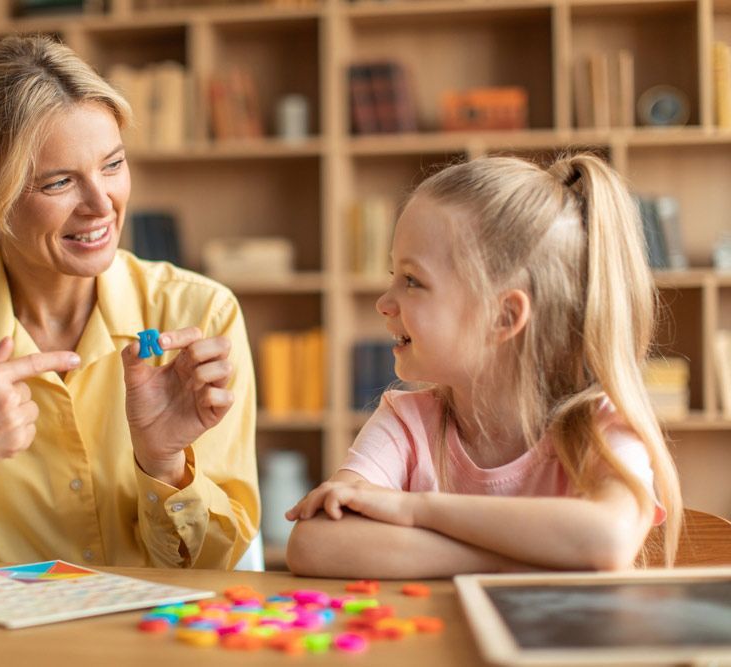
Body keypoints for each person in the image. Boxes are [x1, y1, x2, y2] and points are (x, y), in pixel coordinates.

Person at [0, 35, 259, 585]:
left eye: (112, 165)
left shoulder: (200, 314)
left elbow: (217, 574)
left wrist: (166, 466)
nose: (102, 203)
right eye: (59, 182)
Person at [285, 154, 683, 578]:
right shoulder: (406, 422)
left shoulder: (601, 427)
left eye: (412, 281)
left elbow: (606, 540)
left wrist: (414, 508)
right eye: (392, 275)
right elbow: (315, 543)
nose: (384, 304)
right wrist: (526, 559)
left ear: (503, 318)